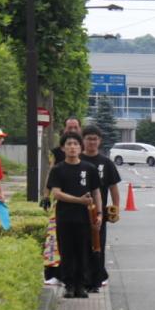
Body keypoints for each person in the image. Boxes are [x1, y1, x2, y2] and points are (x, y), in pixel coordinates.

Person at [45, 131, 102, 299]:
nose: (72, 147)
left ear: (80, 147)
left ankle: (81, 286)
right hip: (64, 217)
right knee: (67, 252)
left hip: (85, 219)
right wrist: (79, 200)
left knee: (84, 251)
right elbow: (56, 193)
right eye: (68, 144)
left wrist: (99, 214)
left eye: (75, 144)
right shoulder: (57, 170)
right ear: (62, 148)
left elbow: (96, 192)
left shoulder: (89, 169)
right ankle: (69, 285)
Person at [79, 125, 122, 291]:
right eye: (88, 138)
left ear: (99, 141)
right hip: (77, 211)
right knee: (81, 246)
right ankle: (82, 279)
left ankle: (96, 281)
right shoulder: (77, 160)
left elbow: (113, 188)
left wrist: (115, 208)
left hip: (99, 212)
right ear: (83, 140)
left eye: (94, 139)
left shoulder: (106, 163)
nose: (91, 142)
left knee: (98, 245)